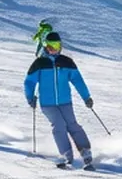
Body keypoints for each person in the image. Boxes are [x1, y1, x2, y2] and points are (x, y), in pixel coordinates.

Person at [23, 32, 96, 170]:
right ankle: (67, 154)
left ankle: (85, 151)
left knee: (72, 124)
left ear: (60, 46)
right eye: (50, 46)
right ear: (45, 46)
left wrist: (86, 97)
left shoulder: (66, 62)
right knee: (59, 125)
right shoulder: (40, 63)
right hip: (47, 103)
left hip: (65, 101)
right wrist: (30, 97)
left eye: (56, 45)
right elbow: (29, 82)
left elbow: (78, 80)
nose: (53, 49)